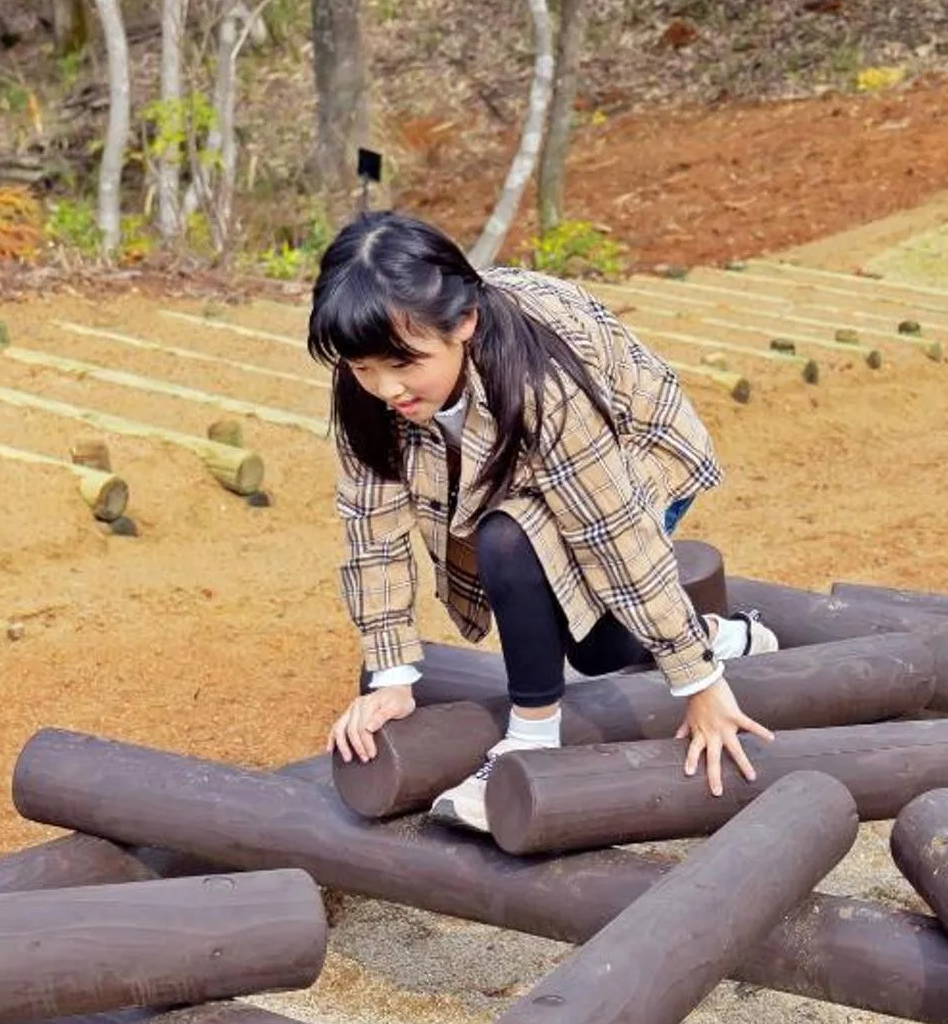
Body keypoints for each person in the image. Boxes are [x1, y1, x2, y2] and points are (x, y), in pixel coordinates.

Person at [312, 212, 775, 832]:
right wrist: (392, 676)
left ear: (464, 323)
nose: (387, 388)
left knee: (508, 537)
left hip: (634, 458)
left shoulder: (539, 378)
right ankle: (718, 635)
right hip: (525, 481)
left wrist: (700, 687)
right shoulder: (366, 392)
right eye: (365, 368)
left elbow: (614, 533)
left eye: (404, 363)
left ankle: (530, 741)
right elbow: (372, 531)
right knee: (593, 648)